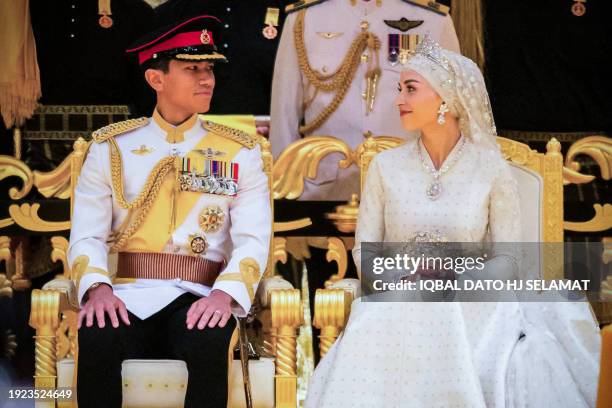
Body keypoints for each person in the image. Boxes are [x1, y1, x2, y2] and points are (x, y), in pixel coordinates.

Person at [304, 37, 600, 407]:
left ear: (446, 99)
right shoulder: (385, 167)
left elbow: (509, 259)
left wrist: (457, 279)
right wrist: (402, 278)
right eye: (399, 89)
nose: (399, 99)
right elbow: (366, 251)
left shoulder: (491, 169)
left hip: (473, 300)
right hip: (397, 298)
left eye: (411, 89)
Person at [68, 15, 272, 408]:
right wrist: (97, 287)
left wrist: (223, 297)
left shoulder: (240, 152)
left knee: (207, 338)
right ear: (156, 79)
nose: (207, 79)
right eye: (192, 68)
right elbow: (87, 236)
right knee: (98, 333)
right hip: (129, 291)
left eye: (209, 68)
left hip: (201, 293)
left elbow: (252, 240)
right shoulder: (111, 147)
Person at [270, 0, 460, 200]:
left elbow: (451, 115)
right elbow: (284, 113)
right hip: (323, 190)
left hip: (407, 190)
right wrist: (282, 190)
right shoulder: (305, 18)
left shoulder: (433, 20)